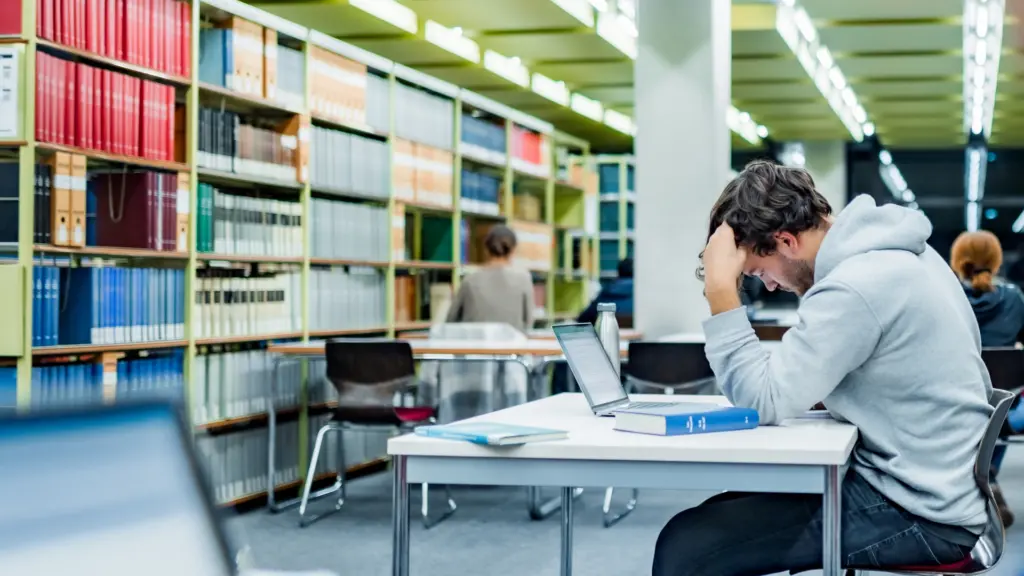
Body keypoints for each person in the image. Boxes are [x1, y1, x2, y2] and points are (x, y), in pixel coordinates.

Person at [653, 160, 993, 575]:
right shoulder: (900, 254)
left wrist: (720, 290)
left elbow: (761, 400)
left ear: (785, 241)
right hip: (930, 485)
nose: (771, 286)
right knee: (717, 514)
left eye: (761, 272)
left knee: (686, 547)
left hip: (922, 511)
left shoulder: (854, 285)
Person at [950, 230, 1024, 528]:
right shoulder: (1015, 300)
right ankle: (987, 473)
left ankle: (979, 480)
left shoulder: (946, 298)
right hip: (1003, 411)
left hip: (952, 406)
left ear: (957, 261)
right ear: (996, 261)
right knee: (1001, 399)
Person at [446, 224, 535, 333]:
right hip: (512, 348)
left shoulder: (469, 280)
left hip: (474, 348)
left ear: (486, 249)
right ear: (513, 250)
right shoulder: (523, 279)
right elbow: (529, 322)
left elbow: (451, 320)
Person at [577, 258, 634, 324]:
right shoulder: (641, 297)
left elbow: (582, 320)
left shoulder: (605, 293)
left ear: (618, 273)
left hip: (605, 333)